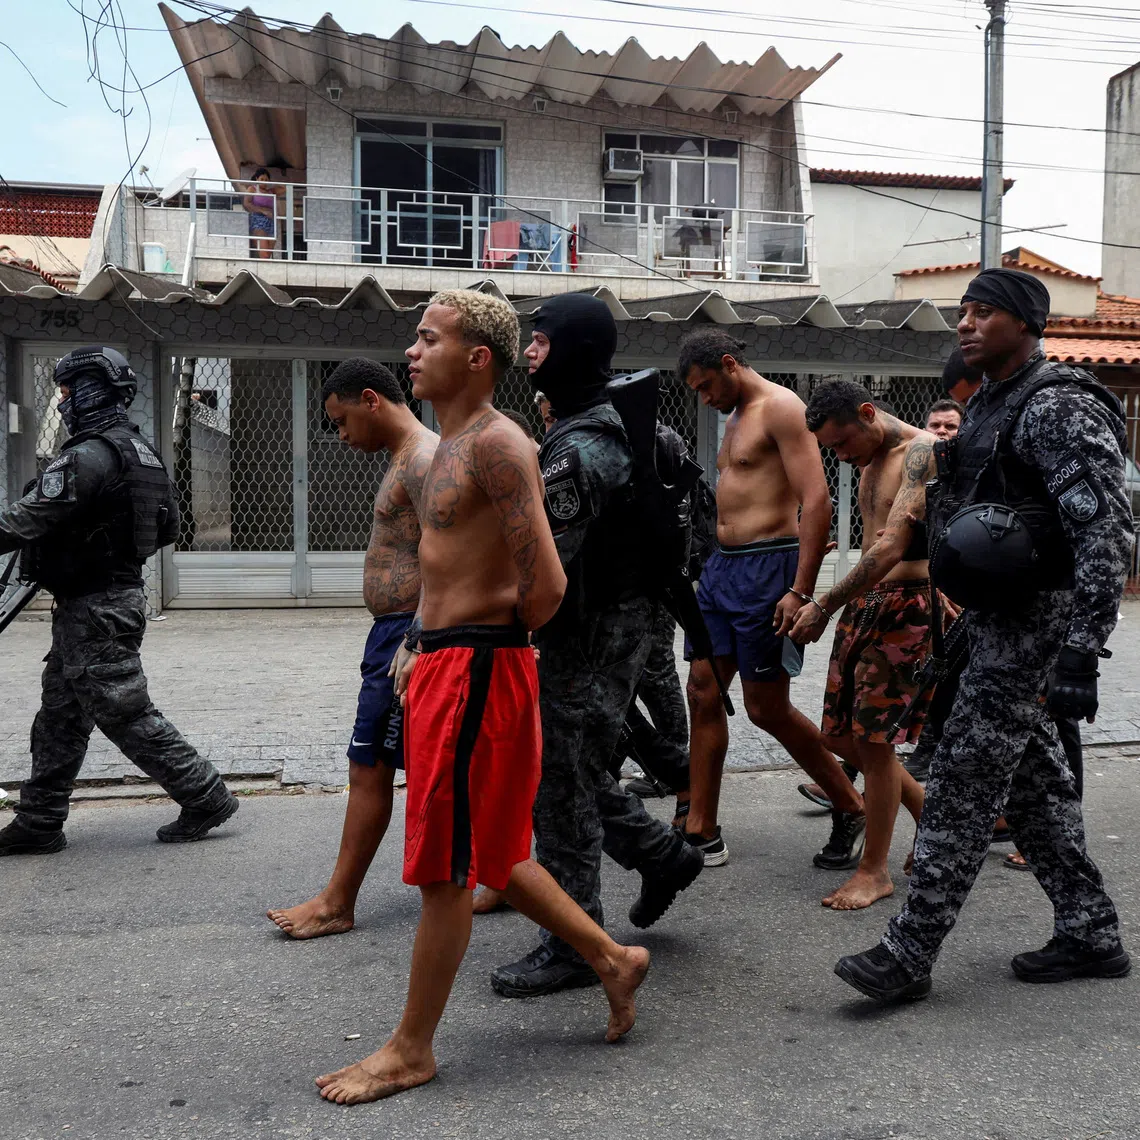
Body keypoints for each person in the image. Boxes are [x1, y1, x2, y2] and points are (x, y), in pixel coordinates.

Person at [315, 291, 650, 1106]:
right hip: (443, 663)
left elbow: (547, 587)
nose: (412, 351)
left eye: (429, 339)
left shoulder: (501, 446)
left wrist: (479, 642)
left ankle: (410, 1050)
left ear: (477, 359)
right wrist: (420, 644)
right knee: (496, 852)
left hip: (478, 670)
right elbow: (442, 563)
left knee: (446, 869)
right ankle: (613, 958)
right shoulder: (445, 447)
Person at [835, 267, 1132, 1002]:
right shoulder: (995, 403)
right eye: (962, 313)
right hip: (996, 624)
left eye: (982, 313)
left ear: (1025, 325)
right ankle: (1090, 932)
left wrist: (1082, 651)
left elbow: (1106, 531)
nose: (965, 324)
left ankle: (908, 954)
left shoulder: (1055, 406)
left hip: (1036, 625)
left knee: (964, 784)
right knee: (1035, 790)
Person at [488, 293, 703, 1000]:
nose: (529, 353)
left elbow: (542, 567)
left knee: (562, 785)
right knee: (571, 768)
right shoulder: (589, 428)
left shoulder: (581, 449)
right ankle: (659, 853)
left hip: (591, 634)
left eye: (541, 341)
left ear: (572, 349)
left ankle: (575, 943)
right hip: (600, 629)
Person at [0, 347, 239, 856]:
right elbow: (170, 528)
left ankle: (204, 793)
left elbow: (22, 521)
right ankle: (40, 821)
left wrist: (89, 549)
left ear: (89, 392)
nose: (62, 402)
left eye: (66, 392)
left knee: (123, 712)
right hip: (103, 600)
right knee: (60, 715)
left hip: (96, 606)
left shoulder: (86, 456)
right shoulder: (142, 452)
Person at [679, 330, 865, 870]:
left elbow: (817, 500)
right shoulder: (734, 417)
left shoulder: (782, 407)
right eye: (697, 392)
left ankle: (850, 803)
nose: (706, 398)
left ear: (731, 363)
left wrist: (801, 589)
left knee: (765, 708)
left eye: (709, 385)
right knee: (702, 691)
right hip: (723, 570)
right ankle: (701, 827)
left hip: (769, 569)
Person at [267, 360, 437, 938]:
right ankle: (494, 879)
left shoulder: (422, 457)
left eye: (341, 422)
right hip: (396, 632)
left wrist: (418, 635)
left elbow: (451, 555)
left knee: (370, 766)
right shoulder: (405, 456)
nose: (341, 437)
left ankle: (339, 902)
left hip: (406, 636)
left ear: (370, 400)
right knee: (403, 769)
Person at [790, 380, 934, 911]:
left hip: (909, 605)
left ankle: (875, 870)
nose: (842, 457)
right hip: (868, 606)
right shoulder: (870, 456)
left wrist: (823, 604)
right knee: (841, 735)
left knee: (874, 742)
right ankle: (931, 817)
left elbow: (893, 545)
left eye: (844, 443)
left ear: (869, 412)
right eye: (832, 450)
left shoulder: (921, 452)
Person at [242, 168, 278, 259]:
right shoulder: (253, 189)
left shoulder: (271, 191)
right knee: (264, 254)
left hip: (270, 222)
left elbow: (285, 188)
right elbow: (246, 203)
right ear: (257, 179)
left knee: (268, 253)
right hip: (258, 222)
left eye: (266, 180)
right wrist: (262, 210)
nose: (264, 182)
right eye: (262, 179)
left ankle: (264, 268)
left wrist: (272, 184)